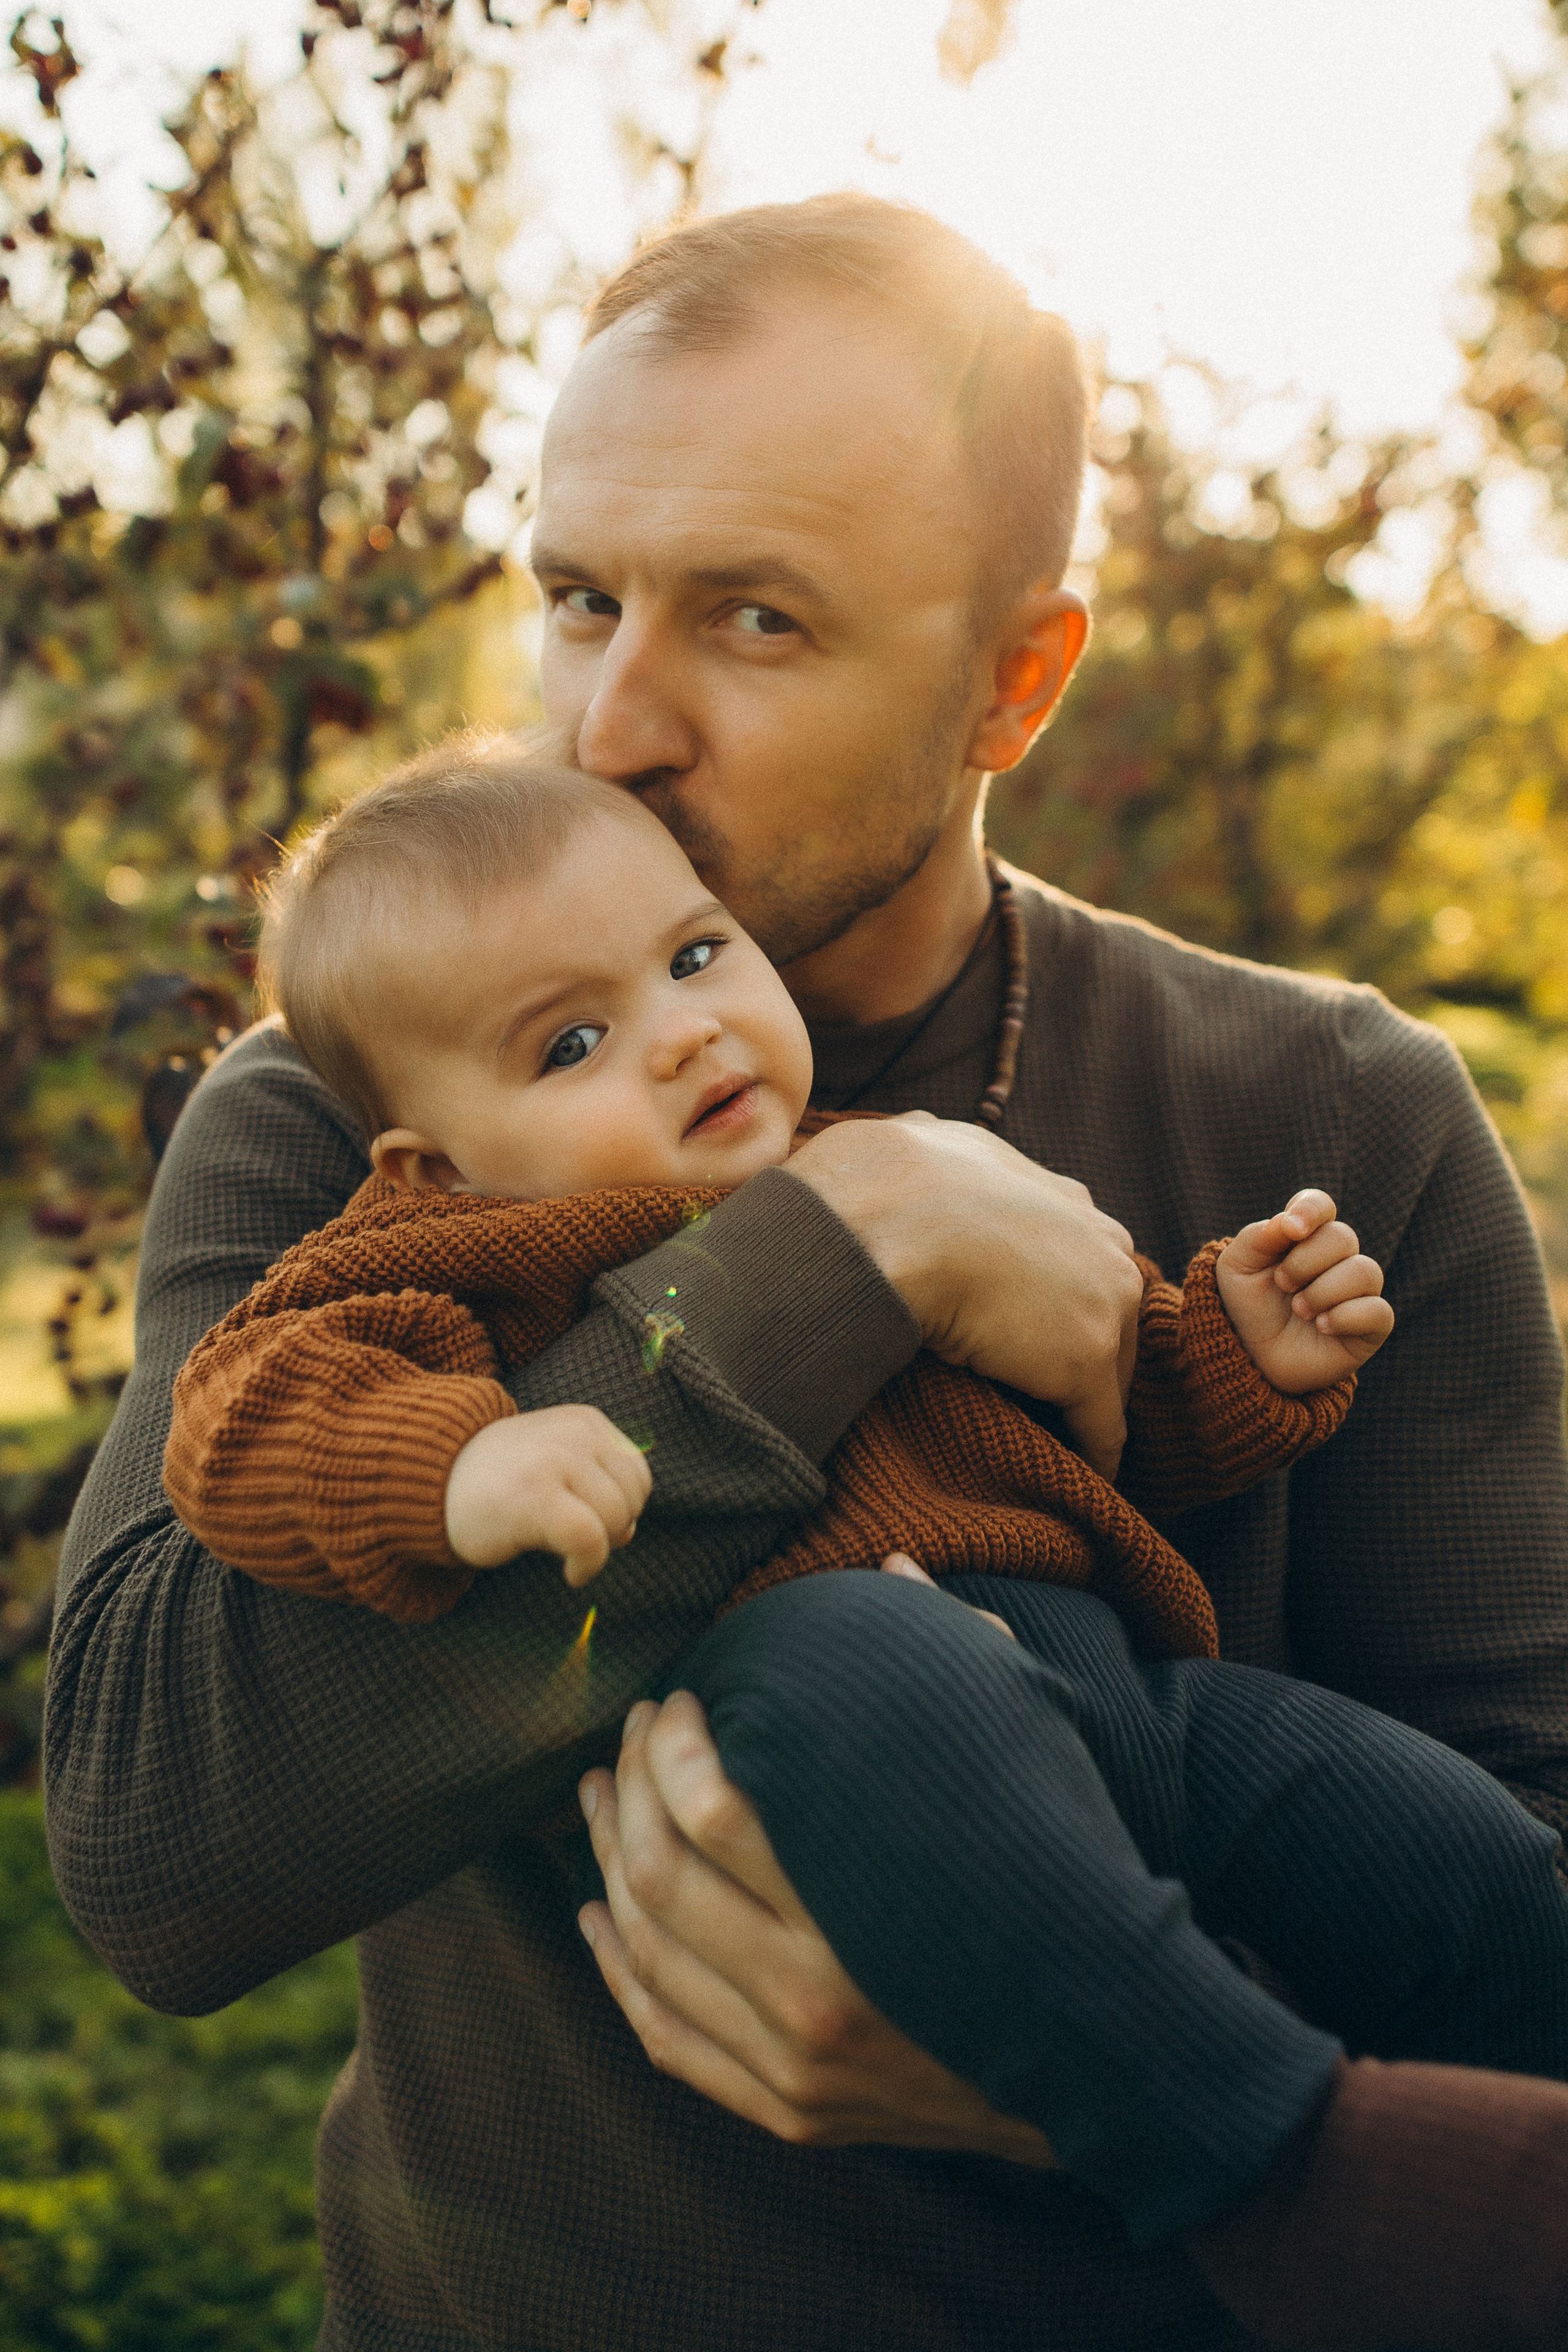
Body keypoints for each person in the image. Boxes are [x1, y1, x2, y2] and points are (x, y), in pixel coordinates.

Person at [44, 193, 1568, 2352]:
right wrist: (846, 1250)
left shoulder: (1330, 1118)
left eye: (754, 618)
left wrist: (1062, 2071)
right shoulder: (371, 1125)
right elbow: (157, 1848)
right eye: (578, 600)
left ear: (1014, 679)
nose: (610, 727)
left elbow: (1515, 1894)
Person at [154, 743, 1568, 2335]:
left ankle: (1509, 2113)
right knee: (868, 1652)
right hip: (820, 1715)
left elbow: (1101, 1432)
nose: (685, 1027)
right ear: (433, 1156)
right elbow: (252, 1417)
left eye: (694, 955)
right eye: (572, 1040)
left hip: (1122, 1708)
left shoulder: (890, 1156)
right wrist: (463, 1462)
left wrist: (1236, 1355)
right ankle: (1250, 2154)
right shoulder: (455, 1246)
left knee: (1427, 1838)